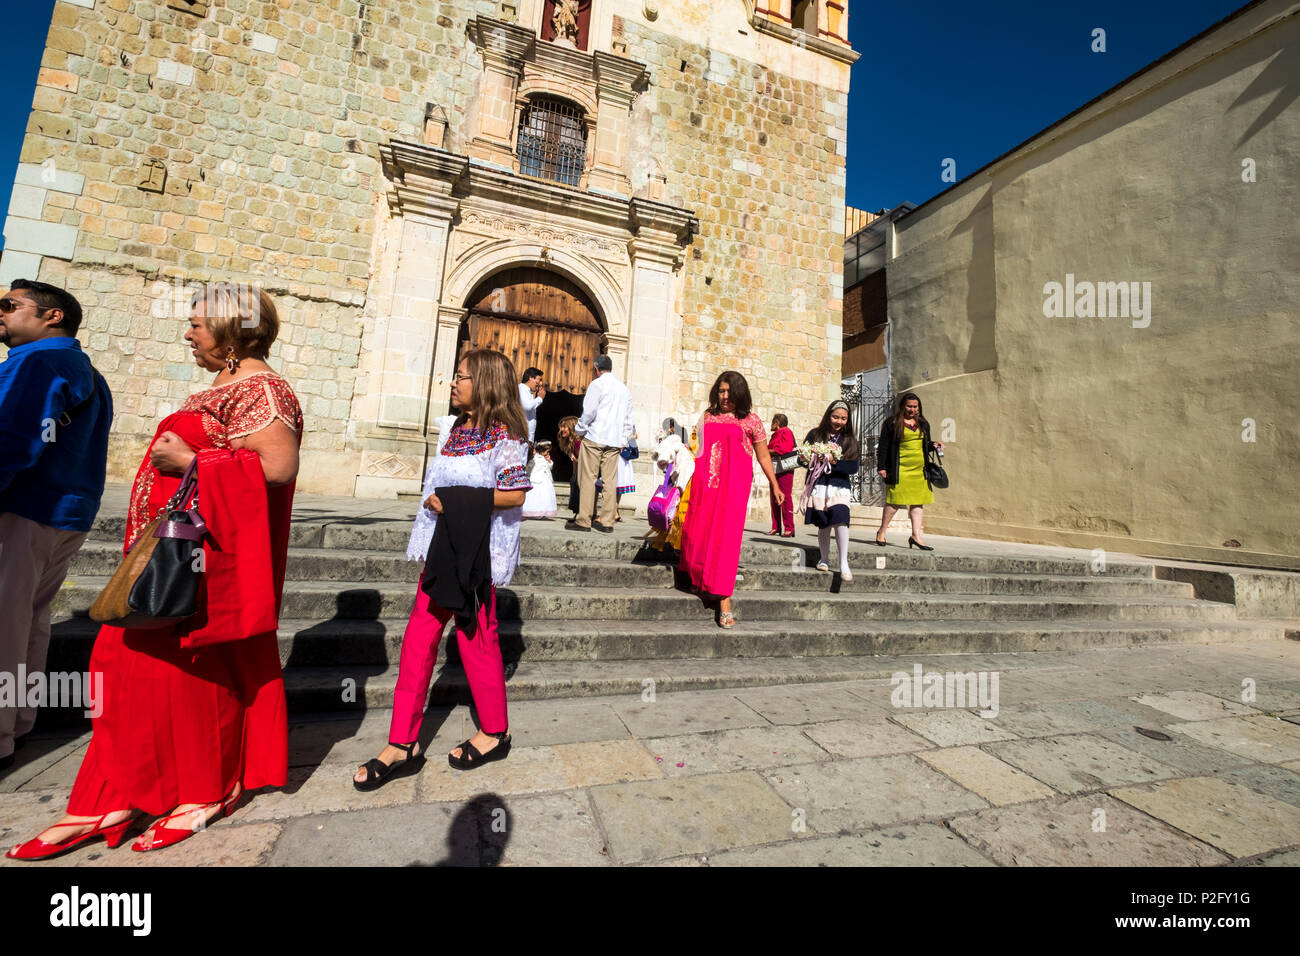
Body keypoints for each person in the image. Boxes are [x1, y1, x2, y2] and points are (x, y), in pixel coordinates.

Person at [7, 283, 303, 860]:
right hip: (164, 554)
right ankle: (106, 798)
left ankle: (205, 792)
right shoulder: (222, 386)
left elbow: (278, 468)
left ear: (234, 329)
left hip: (202, 563)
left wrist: (193, 462)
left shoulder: (265, 389)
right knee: (120, 666)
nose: (187, 332)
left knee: (192, 673)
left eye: (197, 324)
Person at [354, 348, 529, 791]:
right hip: (441, 549)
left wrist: (453, 501)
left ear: (485, 384)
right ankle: (402, 743)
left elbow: (514, 496)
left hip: (474, 554)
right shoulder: (454, 429)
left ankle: (494, 731)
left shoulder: (505, 436)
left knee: (477, 642)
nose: (453, 383)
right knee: (418, 640)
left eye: (462, 377)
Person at [0, 280, 113, 773]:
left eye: (10, 304)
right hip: (65, 513)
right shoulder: (88, 370)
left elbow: (13, 438)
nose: (0, 312)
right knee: (27, 622)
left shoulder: (39, 363)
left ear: (51, 317)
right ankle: (16, 725)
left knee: (7, 623)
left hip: (23, 507)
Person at [679, 371, 783, 628]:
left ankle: (724, 600)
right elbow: (696, 449)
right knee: (699, 532)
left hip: (734, 486)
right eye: (721, 391)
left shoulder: (751, 421)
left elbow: (764, 457)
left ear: (740, 393)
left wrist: (775, 484)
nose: (724, 397)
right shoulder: (707, 416)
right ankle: (702, 579)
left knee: (726, 539)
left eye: (729, 392)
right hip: (705, 483)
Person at [567, 355, 634, 534]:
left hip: (595, 437)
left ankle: (584, 519)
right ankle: (607, 521)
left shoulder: (596, 385)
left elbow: (588, 412)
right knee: (610, 481)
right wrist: (624, 440)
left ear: (596, 368)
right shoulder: (624, 389)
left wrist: (580, 430)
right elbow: (629, 418)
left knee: (587, 477)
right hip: (614, 440)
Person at [876, 391, 944, 550]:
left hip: (919, 471)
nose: (912, 409)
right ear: (902, 406)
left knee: (917, 503)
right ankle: (882, 532)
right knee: (894, 502)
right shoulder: (891, 423)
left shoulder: (923, 423)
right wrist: (882, 467)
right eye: (909, 406)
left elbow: (925, 445)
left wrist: (934, 445)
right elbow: (883, 447)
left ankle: (916, 536)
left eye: (915, 407)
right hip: (899, 469)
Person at [802, 400, 861, 580]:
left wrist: (834, 462)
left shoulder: (849, 440)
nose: (839, 421)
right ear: (828, 416)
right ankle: (825, 558)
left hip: (839, 487)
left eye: (843, 418)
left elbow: (853, 468)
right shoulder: (815, 434)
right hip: (819, 485)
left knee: (841, 520)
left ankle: (844, 562)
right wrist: (813, 456)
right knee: (824, 523)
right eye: (836, 417)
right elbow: (803, 458)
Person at [766, 413, 797, 537]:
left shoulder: (785, 432)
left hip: (784, 469)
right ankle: (776, 526)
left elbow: (783, 449)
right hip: (774, 468)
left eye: (773, 422)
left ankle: (789, 527)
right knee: (774, 497)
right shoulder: (776, 435)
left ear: (777, 422)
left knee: (785, 496)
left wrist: (766, 451)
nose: (771, 424)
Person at [523, 440, 557, 519]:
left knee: (544, 497)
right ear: (541, 451)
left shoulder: (546, 458)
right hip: (536, 479)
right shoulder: (535, 458)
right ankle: (533, 511)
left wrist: (549, 462)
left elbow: (549, 467)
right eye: (547, 451)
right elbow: (529, 468)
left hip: (545, 480)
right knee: (535, 497)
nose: (548, 453)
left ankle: (541, 511)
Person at [614, 427, 638, 522]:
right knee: (614, 484)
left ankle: (615, 510)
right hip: (615, 454)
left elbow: (635, 435)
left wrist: (625, 441)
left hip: (623, 455)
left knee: (620, 485)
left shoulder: (629, 422)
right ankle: (614, 511)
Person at [518, 366, 545, 442]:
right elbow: (527, 406)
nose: (541, 383)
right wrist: (540, 398)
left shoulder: (527, 391)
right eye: (539, 380)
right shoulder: (522, 388)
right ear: (531, 378)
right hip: (522, 438)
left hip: (526, 438)